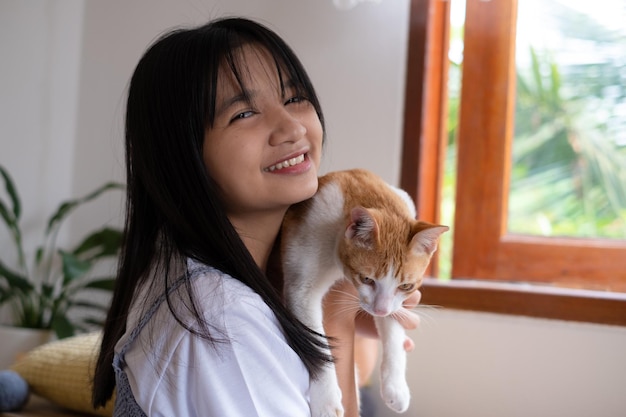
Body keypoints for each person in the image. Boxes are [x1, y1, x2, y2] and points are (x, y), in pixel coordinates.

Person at [92, 17, 419, 417]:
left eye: (295, 98)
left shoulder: (186, 271)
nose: (291, 127)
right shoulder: (219, 322)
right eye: (243, 114)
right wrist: (337, 324)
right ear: (182, 157)